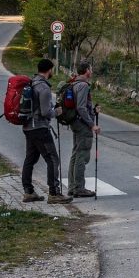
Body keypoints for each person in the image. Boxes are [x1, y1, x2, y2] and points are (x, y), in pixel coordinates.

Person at [21, 59, 72, 204]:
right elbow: (45, 112)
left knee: (30, 159)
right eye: (52, 70)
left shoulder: (32, 82)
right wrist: (56, 111)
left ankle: (28, 192)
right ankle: (54, 193)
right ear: (49, 70)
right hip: (39, 128)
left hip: (28, 127)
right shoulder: (43, 87)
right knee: (53, 159)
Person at [67, 62, 100, 198]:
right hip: (82, 125)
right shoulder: (83, 85)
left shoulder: (74, 84)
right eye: (91, 69)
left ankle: (72, 187)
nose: (91, 71)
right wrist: (92, 125)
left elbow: (80, 107)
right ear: (87, 70)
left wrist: (93, 110)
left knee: (75, 154)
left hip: (75, 123)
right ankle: (79, 188)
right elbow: (81, 107)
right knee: (82, 155)